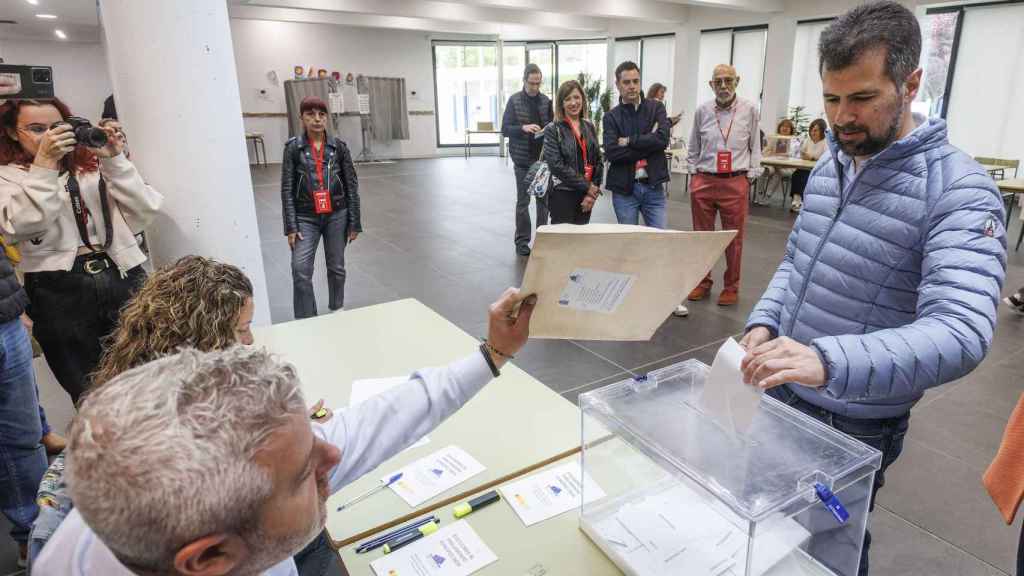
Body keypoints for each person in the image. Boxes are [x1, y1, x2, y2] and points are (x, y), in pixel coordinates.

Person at [740, 3, 1006, 574]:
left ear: (911, 84)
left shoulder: (959, 191)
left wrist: (827, 361)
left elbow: (961, 332)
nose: (841, 118)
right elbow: (798, 259)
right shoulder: (835, 162)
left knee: (828, 553)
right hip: (785, 385)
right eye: (831, 99)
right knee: (766, 534)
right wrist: (764, 321)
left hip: (853, 416)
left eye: (861, 99)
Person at [32, 288, 536, 576]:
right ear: (209, 557)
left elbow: (373, 422)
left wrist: (492, 355)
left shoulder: (146, 515)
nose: (335, 453)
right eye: (301, 474)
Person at [0, 97, 162, 405]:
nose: (50, 136)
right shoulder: (7, 176)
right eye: (37, 129)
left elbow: (144, 212)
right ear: (10, 132)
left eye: (57, 128)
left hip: (123, 275)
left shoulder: (91, 166)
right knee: (90, 393)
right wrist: (45, 165)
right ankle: (104, 452)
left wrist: (114, 160)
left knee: (149, 381)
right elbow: (23, 224)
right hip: (58, 289)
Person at [686, 64, 762, 307]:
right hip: (705, 181)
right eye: (718, 81)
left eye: (728, 80)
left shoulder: (750, 109)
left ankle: (731, 287)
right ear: (711, 85)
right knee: (701, 238)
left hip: (735, 181)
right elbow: (693, 145)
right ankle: (702, 282)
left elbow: (755, 146)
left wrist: (749, 176)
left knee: (734, 239)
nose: (723, 86)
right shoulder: (702, 111)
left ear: (737, 81)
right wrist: (694, 175)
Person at [282, 96, 362, 319]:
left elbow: (351, 186)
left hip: (337, 214)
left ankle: (336, 310)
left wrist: (354, 222)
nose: (317, 119)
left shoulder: (339, 148)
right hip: (304, 217)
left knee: (336, 267)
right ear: (302, 118)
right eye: (310, 114)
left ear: (327, 117)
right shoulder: (293, 149)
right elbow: (286, 188)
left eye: (321, 114)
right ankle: (307, 318)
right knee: (300, 270)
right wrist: (291, 226)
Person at [603, 61, 670, 229]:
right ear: (618, 85)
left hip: (653, 187)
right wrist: (649, 144)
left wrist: (629, 141)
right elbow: (612, 153)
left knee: (659, 241)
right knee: (629, 245)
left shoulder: (656, 108)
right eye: (626, 82)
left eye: (636, 81)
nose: (632, 86)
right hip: (625, 191)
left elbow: (662, 139)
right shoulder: (611, 117)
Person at [502, 63, 552, 256]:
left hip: (542, 160)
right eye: (531, 83)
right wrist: (522, 128)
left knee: (543, 202)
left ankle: (542, 240)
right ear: (524, 81)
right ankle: (522, 242)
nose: (535, 87)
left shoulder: (546, 101)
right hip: (522, 160)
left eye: (538, 83)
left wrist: (547, 130)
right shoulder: (514, 101)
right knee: (523, 202)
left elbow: (552, 126)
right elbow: (505, 129)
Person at [543, 80, 602, 225]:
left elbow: (598, 161)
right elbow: (556, 165)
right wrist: (587, 186)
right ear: (561, 104)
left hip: (585, 195)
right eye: (568, 99)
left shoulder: (589, 126)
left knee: (581, 241)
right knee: (563, 243)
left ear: (582, 98)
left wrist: (592, 194)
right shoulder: (553, 129)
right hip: (562, 194)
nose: (573, 103)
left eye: (576, 97)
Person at [753, 118, 796, 206]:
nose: (785, 128)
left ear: (791, 130)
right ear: (779, 128)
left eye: (788, 127)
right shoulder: (774, 138)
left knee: (778, 172)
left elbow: (795, 156)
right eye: (783, 126)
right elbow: (765, 152)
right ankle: (760, 194)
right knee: (763, 170)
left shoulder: (794, 140)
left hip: (786, 167)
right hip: (772, 164)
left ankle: (768, 195)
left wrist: (787, 155)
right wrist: (770, 152)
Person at [788, 118, 828, 212]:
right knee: (796, 175)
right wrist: (803, 155)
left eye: (816, 130)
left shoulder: (825, 142)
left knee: (804, 176)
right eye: (811, 130)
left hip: (819, 170)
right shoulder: (808, 140)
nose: (813, 133)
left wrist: (812, 158)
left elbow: (826, 158)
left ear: (822, 131)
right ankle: (796, 201)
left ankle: (799, 202)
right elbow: (802, 153)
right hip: (804, 167)